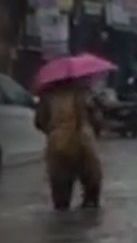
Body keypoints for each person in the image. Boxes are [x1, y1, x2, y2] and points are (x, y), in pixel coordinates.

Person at [35, 77, 103, 211]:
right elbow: (97, 120)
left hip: (58, 143)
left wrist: (53, 130)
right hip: (84, 142)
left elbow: (39, 122)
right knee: (92, 189)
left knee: (60, 197)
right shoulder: (84, 93)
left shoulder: (48, 96)